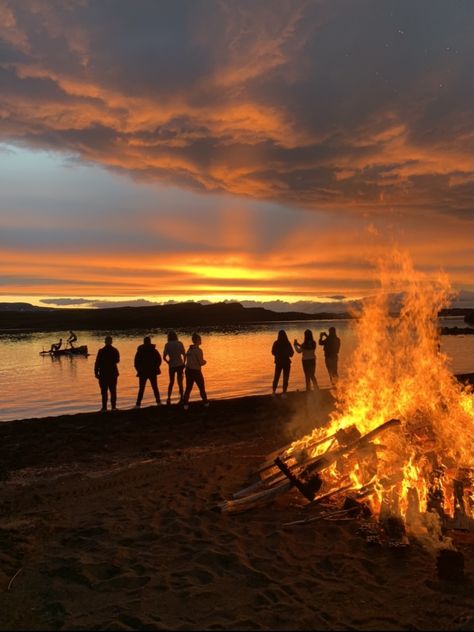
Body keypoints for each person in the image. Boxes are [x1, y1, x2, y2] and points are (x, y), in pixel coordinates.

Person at [134, 336, 162, 408]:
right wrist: (156, 367)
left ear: (144, 342)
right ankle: (158, 402)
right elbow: (159, 360)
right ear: (150, 342)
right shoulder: (154, 350)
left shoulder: (140, 351)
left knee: (141, 388)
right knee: (155, 387)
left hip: (142, 372)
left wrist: (138, 369)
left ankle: (138, 404)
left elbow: (136, 362)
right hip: (152, 371)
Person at [183, 333, 209, 410]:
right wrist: (205, 362)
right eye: (200, 339)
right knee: (201, 387)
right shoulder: (198, 350)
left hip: (188, 371)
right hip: (196, 371)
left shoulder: (189, 349)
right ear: (197, 340)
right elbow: (201, 362)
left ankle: (185, 404)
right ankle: (205, 403)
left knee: (188, 388)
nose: (201, 340)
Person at [94, 335, 120, 411]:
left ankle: (104, 407)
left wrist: (96, 372)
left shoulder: (101, 351)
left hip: (103, 374)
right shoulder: (115, 350)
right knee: (113, 391)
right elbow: (117, 360)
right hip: (112, 374)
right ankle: (113, 407)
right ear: (111, 342)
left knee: (104, 391)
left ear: (105, 342)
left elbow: (97, 363)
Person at [163, 331, 186, 405]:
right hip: (180, 365)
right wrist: (184, 363)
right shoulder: (180, 343)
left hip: (172, 365)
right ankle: (182, 398)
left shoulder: (167, 345)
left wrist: (168, 362)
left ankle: (168, 398)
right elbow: (184, 355)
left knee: (171, 382)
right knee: (180, 383)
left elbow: (164, 357)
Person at [271, 329, 294, 398]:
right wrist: (285, 353)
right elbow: (291, 354)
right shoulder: (288, 343)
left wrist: (278, 354)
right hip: (286, 363)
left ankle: (274, 392)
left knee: (276, 377)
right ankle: (284, 393)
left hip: (279, 363)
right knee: (285, 378)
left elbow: (273, 352)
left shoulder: (276, 343)